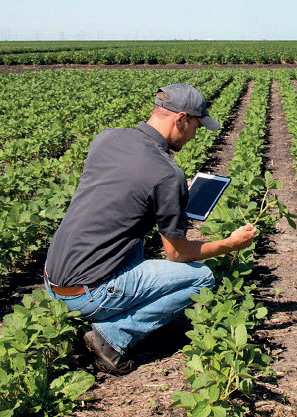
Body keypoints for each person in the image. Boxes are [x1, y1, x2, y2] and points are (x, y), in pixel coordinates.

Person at [44, 83, 256, 375]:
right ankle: (112, 338)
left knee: (135, 235)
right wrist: (230, 244)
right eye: (196, 125)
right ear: (181, 119)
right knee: (201, 278)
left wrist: (174, 197)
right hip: (86, 293)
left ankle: (115, 306)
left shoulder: (107, 138)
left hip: (53, 278)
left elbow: (124, 193)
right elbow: (176, 255)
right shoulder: (167, 173)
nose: (196, 134)